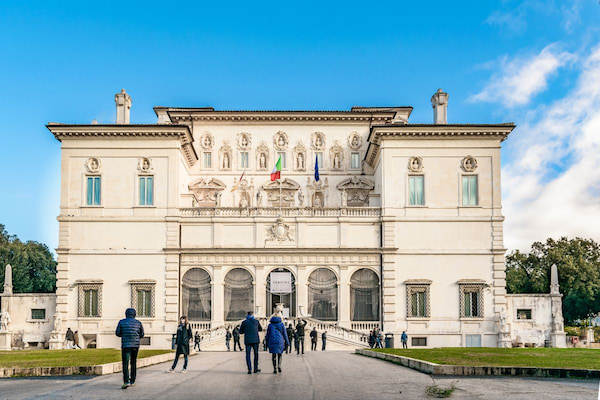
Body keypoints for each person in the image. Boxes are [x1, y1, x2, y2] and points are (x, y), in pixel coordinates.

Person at [115, 308, 144, 390]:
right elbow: (142, 334)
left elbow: (117, 333)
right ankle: (133, 381)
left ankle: (126, 381)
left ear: (126, 314)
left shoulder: (122, 322)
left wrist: (124, 335)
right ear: (134, 314)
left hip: (126, 345)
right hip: (135, 345)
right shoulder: (138, 323)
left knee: (125, 363)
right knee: (133, 362)